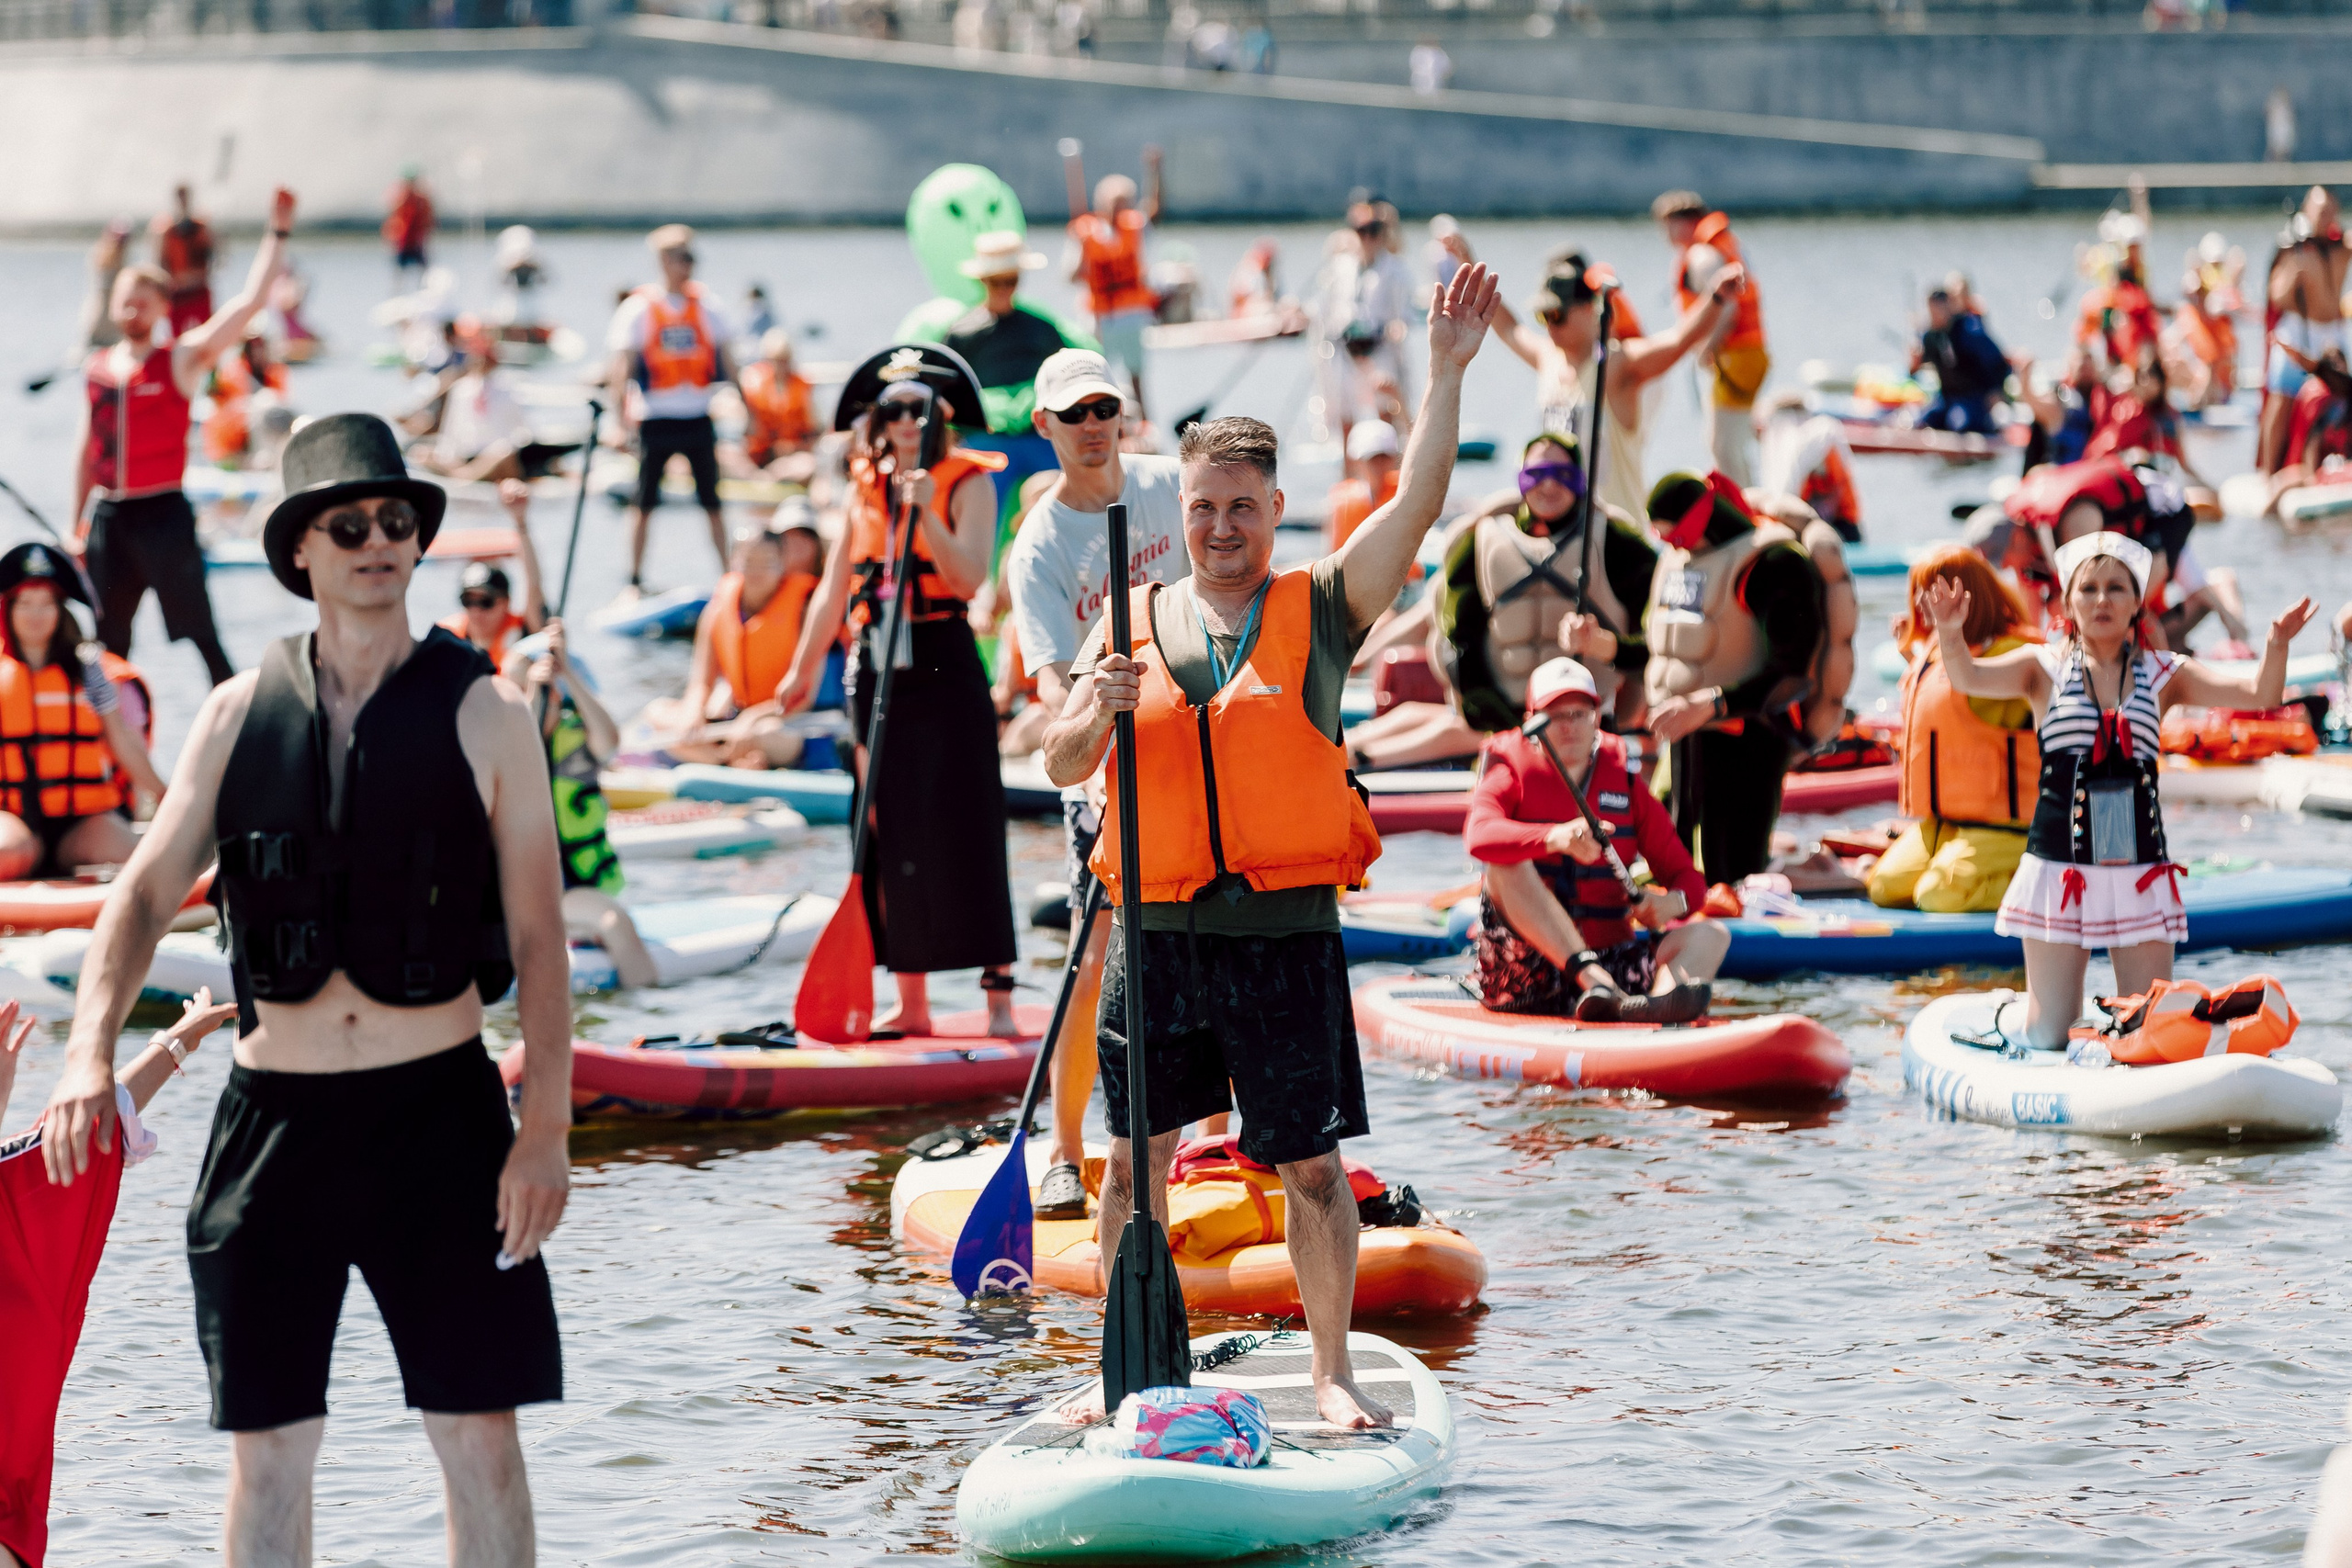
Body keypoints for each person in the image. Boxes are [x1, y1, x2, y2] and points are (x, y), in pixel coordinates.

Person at [35, 412, 573, 1560]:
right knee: (270, 1450)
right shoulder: (236, 717)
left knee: (479, 1433)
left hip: (441, 1113)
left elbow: (537, 940)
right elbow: (135, 898)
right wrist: (85, 1054)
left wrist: (546, 1130)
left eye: (395, 522)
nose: (377, 541)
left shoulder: (489, 714)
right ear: (302, 554)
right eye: (349, 525)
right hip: (273, 1123)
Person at [1041, 260, 1498, 1429]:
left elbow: (1420, 498)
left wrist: (1442, 374)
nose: (1221, 526)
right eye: (1202, 507)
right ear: (1178, 510)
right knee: (1135, 1168)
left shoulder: (1326, 607)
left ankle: (1332, 1374)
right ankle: (1128, 1374)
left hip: (1283, 937)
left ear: (1273, 507)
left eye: (1242, 505)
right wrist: (1094, 702)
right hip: (1159, 936)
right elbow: (1059, 763)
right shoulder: (1126, 619)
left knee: (1307, 1169)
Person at [1922, 531, 2314, 1049]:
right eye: (2088, 589)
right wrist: (1950, 632)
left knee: (2154, 1026)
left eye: (2115, 589)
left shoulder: (2165, 674)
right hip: (2059, 871)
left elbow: (2261, 693)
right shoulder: (2041, 669)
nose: (2102, 600)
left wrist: (2276, 645)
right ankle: (2017, 1022)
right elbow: (1967, 677)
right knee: (2051, 1033)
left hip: (2140, 872)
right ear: (2068, 602)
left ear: (2137, 603)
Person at [1001, 347, 1193, 1220]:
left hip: (1195, 748)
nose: (1091, 427)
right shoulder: (1040, 545)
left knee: (1207, 946)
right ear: (1044, 426)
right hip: (1103, 764)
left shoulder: (1172, 485)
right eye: (1073, 413)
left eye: (1103, 408)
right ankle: (1065, 1150)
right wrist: (1096, 712)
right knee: (1096, 960)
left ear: (1123, 414)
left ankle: (1208, 1137)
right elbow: (1049, 696)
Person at [778, 345, 1020, 1038]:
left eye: (919, 408)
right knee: (888, 831)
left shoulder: (967, 482)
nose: (906, 422)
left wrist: (926, 512)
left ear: (940, 413)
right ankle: (911, 1002)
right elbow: (833, 588)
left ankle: (997, 999)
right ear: (877, 421)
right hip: (876, 663)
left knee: (968, 819)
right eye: (893, 410)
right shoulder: (860, 487)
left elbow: (972, 578)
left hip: (944, 658)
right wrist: (799, 670)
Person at [2, 990, 233, 1568]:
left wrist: (178, 1040)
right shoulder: (19, 1221)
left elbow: (88, 1126)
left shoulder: (18, 1217)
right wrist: (178, 1040)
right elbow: (87, 1128)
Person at [76, 186, 298, 689]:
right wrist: (76, 525)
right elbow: (86, 453)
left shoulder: (179, 359)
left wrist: (278, 232)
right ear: (114, 307)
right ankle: (113, 750)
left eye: (143, 304)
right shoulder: (99, 370)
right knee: (107, 642)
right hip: (110, 518)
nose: (132, 312)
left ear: (160, 309)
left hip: (164, 517)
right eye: (125, 303)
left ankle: (241, 731)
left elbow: (249, 303)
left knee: (203, 637)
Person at [1466, 658, 1722, 1022]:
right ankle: (1597, 984)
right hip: (1527, 975)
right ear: (1530, 723)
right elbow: (1479, 836)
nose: (1568, 726)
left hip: (1612, 962)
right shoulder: (1509, 770)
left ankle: (1653, 1011)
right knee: (1503, 864)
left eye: (1579, 714)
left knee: (1711, 935)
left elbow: (1689, 879)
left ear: (1597, 718)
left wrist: (1673, 903)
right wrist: (1555, 838)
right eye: (1555, 716)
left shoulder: (1626, 784)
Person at [1442, 229, 1747, 523]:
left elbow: (1678, 341)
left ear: (1589, 309)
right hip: (1564, 528)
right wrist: (1472, 267)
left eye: (1558, 315)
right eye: (1543, 316)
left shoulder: (1615, 366)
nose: (1550, 326)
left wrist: (1716, 297)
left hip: (1614, 531)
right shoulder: (1548, 357)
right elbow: (1509, 327)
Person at [1639, 471, 1834, 886]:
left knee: (1732, 872)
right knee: (1673, 864)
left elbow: (1793, 673)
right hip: (1688, 736)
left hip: (1750, 737)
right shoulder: (1683, 563)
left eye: (1678, 536)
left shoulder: (1773, 563)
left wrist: (1711, 704)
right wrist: (1602, 645)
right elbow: (1667, 648)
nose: (1675, 547)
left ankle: (1752, 923)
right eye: (1667, 540)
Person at [1435, 433, 1658, 731]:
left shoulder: (1617, 542)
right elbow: (1458, 636)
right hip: (1506, 723)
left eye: (1562, 474)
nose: (1549, 485)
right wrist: (1493, 715)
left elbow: (1654, 637)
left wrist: (1606, 647)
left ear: (1579, 478)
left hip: (1591, 721)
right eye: (1537, 474)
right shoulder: (1478, 541)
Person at [1868, 547, 2041, 914]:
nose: (1922, 600)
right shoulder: (1931, 658)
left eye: (1933, 590)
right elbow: (1949, 700)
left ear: (1968, 597)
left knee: (1936, 897)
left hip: (2007, 829)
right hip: (1946, 823)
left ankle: (2040, 885)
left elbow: (1973, 686)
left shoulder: (2013, 653)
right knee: (1884, 888)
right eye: (1918, 590)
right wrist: (1914, 659)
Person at [503, 621, 658, 990]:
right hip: (519, 895)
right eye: (518, 692)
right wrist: (531, 698)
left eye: (539, 690)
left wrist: (567, 672)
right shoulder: (503, 745)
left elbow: (610, 740)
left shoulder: (577, 741)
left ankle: (649, 1013)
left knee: (614, 921)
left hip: (569, 891)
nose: (530, 699)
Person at [0, 543, 166, 882]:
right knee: (7, 852)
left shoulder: (91, 670)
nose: (36, 615)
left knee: (147, 856)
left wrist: (170, 799)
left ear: (61, 612)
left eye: (47, 605)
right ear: (8, 610)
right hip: (14, 820)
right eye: (25, 604)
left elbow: (122, 743)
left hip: (82, 822)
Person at [606, 223, 738, 594]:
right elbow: (622, 371)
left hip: (697, 417)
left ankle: (727, 577)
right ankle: (633, 580)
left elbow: (729, 360)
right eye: (683, 258)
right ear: (665, 261)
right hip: (655, 418)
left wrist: (748, 407)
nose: (690, 266)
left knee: (712, 502)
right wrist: (619, 423)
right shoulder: (639, 310)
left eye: (693, 258)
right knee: (643, 503)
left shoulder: (709, 307)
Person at [942, 231, 1089, 536]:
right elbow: (946, 393)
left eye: (1011, 280)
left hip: (1039, 438)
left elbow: (1072, 379)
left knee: (1075, 495)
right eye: (998, 281)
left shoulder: (1042, 328)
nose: (1005, 289)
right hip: (984, 441)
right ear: (983, 282)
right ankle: (980, 575)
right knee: (979, 509)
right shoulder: (960, 334)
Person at [671, 514, 824, 770]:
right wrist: (693, 712)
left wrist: (752, 719)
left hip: (780, 719)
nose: (757, 570)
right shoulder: (718, 609)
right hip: (734, 718)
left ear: (783, 564)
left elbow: (803, 698)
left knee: (769, 736)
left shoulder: (803, 612)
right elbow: (701, 681)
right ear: (734, 562)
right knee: (661, 714)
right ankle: (734, 762)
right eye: (749, 561)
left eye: (767, 562)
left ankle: (722, 759)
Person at [1654, 191, 1770, 483]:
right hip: (1746, 355)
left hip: (1734, 357)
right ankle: (1747, 499)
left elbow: (1728, 305)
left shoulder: (1702, 254)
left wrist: (1707, 347)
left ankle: (1741, 509)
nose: (1664, 234)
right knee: (1733, 443)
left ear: (1684, 223)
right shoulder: (1718, 247)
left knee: (1723, 446)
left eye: (1667, 225)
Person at [1063, 142, 1163, 414]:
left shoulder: (1135, 228)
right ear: (1103, 205)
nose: (1123, 209)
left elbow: (1154, 209)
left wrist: (1155, 169)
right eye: (1116, 203)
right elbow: (1070, 276)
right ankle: (1105, 419)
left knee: (1136, 375)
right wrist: (1083, 262)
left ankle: (1144, 421)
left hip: (1132, 314)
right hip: (1100, 318)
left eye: (1126, 203)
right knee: (1097, 374)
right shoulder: (1085, 234)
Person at [2260, 186, 2350, 473]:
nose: (2325, 217)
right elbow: (2277, 296)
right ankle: (2269, 471)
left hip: (2333, 334)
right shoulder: (2294, 248)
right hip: (2299, 331)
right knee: (2282, 397)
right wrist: (2295, 271)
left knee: (2342, 397)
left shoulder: (2343, 246)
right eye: (2320, 211)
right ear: (2307, 212)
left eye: (2329, 211)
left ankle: (2336, 458)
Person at [1317, 201, 1415, 450]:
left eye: (1373, 231)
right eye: (1361, 231)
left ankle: (1391, 466)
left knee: (1386, 408)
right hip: (1346, 348)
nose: (1367, 238)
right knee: (1345, 415)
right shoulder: (1341, 267)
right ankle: (1348, 476)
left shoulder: (1395, 269)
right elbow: (1327, 309)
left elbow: (1403, 313)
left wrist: (1398, 329)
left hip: (1379, 346)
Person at [438, 480, 547, 668]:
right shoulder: (448, 636)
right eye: (468, 601)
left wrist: (520, 521)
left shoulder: (524, 631)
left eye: (485, 602)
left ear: (505, 602)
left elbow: (534, 585)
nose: (476, 611)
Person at [1756, 392, 1863, 542]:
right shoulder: (1806, 444)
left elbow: (1836, 493)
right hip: (1814, 522)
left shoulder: (1819, 441)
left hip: (1840, 526)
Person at [1913, 286, 2010, 436]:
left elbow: (1998, 362)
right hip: (1946, 397)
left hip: (1973, 397)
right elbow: (1915, 368)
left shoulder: (1968, 330)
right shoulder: (1930, 335)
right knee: (1922, 422)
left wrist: (1995, 391)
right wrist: (1914, 356)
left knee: (1960, 425)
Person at [734, 327, 819, 483]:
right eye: (776, 360)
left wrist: (795, 448)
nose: (781, 365)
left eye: (785, 359)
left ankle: (771, 477)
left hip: (791, 456)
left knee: (808, 465)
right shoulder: (752, 383)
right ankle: (760, 477)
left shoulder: (802, 386)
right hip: (759, 455)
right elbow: (745, 430)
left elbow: (813, 431)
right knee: (724, 454)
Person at [151, 184, 216, 339]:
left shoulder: (201, 227)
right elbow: (160, 261)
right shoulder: (165, 229)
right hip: (177, 293)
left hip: (198, 290)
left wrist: (198, 276)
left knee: (208, 335)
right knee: (176, 338)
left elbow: (213, 257)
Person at [1325, 417, 1399, 548]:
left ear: (1393, 459)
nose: (1379, 465)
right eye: (1373, 459)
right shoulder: (1343, 499)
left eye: (1385, 457)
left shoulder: (1405, 490)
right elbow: (1333, 553)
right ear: (1357, 461)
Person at [383, 165, 435, 294]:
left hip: (417, 242)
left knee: (424, 274)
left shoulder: (422, 200)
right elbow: (392, 218)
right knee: (399, 275)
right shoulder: (400, 198)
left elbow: (429, 220)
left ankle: (425, 294)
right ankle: (396, 298)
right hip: (403, 242)